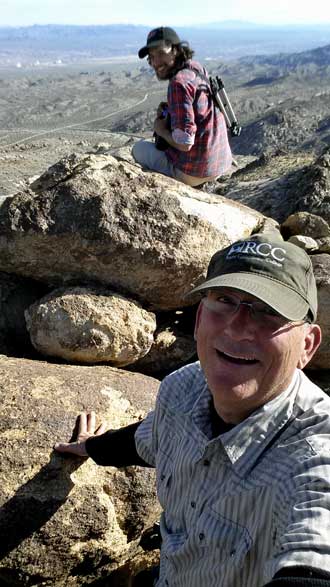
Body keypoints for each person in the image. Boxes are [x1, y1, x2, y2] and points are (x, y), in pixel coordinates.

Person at [55, 233, 330, 587]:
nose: (239, 326)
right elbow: (150, 438)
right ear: (200, 318)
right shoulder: (183, 389)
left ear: (307, 346)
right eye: (226, 300)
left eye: (269, 311)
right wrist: (92, 447)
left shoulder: (313, 455)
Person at [131, 26, 233, 187]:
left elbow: (185, 143)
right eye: (151, 56)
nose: (155, 62)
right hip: (220, 163)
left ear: (176, 50)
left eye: (161, 53)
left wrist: (161, 130)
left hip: (195, 173)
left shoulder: (178, 83)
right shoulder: (195, 67)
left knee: (138, 149)